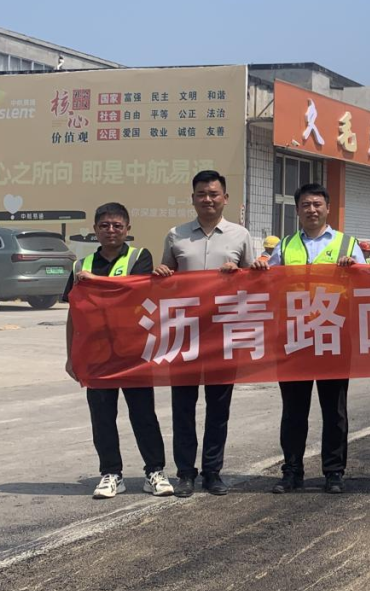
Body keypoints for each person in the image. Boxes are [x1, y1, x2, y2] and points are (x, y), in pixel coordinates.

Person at [153, 170, 265, 497]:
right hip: (185, 333)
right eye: (201, 194)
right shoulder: (175, 235)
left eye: (214, 194)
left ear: (225, 198)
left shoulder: (240, 235)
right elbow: (165, 280)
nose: (208, 200)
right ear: (193, 199)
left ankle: (213, 472)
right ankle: (185, 473)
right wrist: (162, 273)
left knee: (218, 408)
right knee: (183, 407)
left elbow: (252, 281)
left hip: (223, 333)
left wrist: (241, 272)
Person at [64, 203, 173, 500]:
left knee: (143, 414)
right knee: (102, 416)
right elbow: (74, 314)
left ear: (127, 229)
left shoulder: (140, 257)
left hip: (133, 353)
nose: (111, 230)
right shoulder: (81, 266)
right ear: (95, 230)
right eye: (104, 226)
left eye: (117, 225)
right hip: (96, 354)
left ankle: (154, 471)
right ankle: (111, 473)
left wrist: (95, 283)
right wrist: (71, 356)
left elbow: (129, 291)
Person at [267, 182, 364, 495]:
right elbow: (266, 285)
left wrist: (354, 270)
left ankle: (334, 472)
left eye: (317, 204)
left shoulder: (348, 244)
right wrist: (255, 269)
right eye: (306, 205)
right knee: (293, 410)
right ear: (297, 210)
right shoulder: (284, 247)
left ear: (328, 208)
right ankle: (292, 471)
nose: (312, 210)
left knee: (334, 410)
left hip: (333, 336)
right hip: (294, 338)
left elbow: (367, 285)